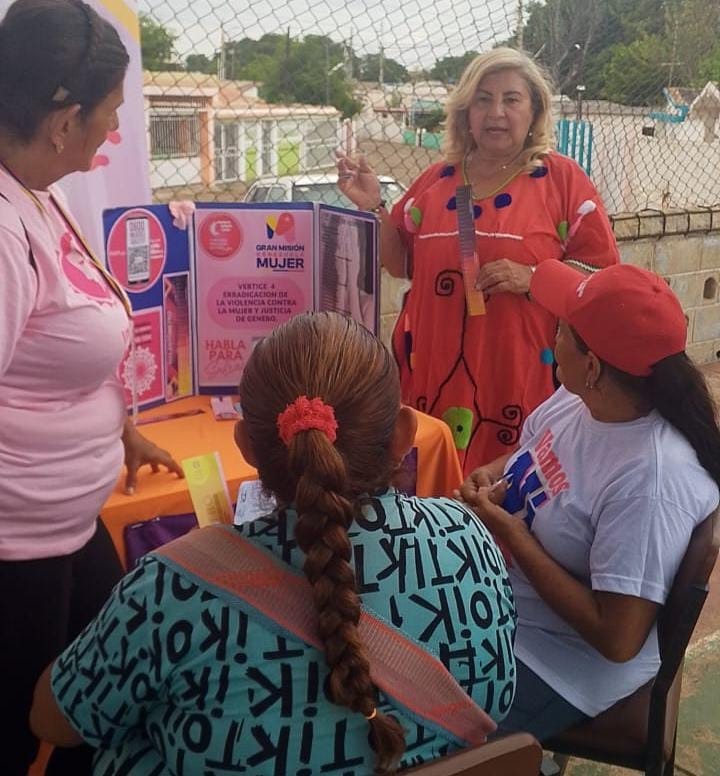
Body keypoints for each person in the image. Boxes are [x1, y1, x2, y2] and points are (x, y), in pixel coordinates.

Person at [30, 312, 517, 774]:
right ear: (405, 436)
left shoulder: (171, 592)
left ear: (245, 446)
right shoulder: (470, 538)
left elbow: (52, 721)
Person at [0, 1, 182, 773]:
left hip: (63, 527)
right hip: (16, 550)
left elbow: (47, 356)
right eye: (108, 115)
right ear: (64, 118)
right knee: (26, 730)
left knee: (95, 702)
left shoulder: (38, 189)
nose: (114, 131)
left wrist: (119, 430)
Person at [459, 262, 720, 741]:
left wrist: (513, 532)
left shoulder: (650, 480)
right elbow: (530, 450)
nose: (551, 331)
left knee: (416, 726)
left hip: (559, 663)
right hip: (507, 606)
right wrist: (491, 473)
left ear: (594, 365)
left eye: (561, 328)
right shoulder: (580, 399)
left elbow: (617, 638)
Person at [336, 47, 619, 475]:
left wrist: (534, 277)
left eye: (511, 99)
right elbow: (401, 263)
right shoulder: (436, 181)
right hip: (431, 368)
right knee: (430, 484)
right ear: (466, 112)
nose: (496, 112)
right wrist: (375, 205)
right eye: (483, 99)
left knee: (506, 493)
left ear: (535, 110)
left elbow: (603, 277)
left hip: (517, 372)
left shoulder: (561, 182)